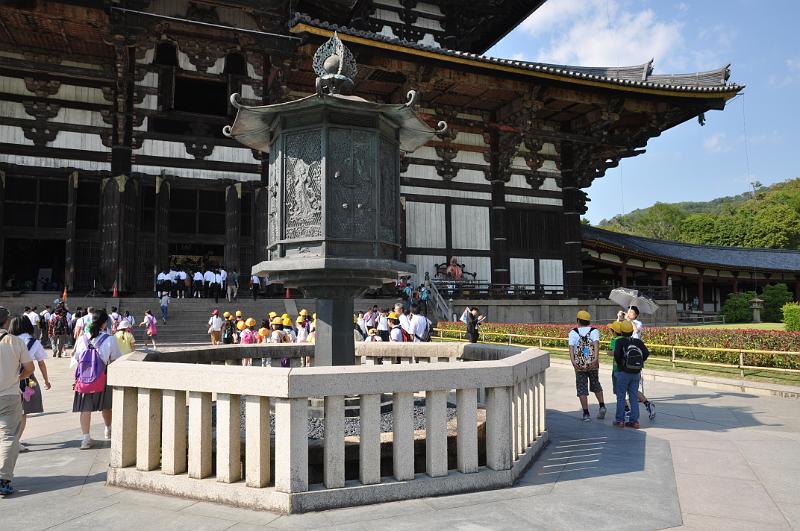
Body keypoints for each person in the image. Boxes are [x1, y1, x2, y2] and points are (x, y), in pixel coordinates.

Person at [71, 308, 122, 449]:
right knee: (106, 405)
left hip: (84, 378)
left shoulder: (82, 339)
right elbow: (115, 359)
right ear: (104, 323)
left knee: (85, 408)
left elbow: (76, 358)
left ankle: (85, 438)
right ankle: (108, 429)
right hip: (103, 376)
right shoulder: (110, 339)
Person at [0, 306, 35, 496]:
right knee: (8, 437)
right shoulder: (15, 341)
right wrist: (17, 378)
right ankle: (3, 479)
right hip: (9, 395)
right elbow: (29, 368)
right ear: (6, 321)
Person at [9, 316, 51, 454]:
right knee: (23, 411)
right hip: (26, 380)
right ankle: (16, 441)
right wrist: (46, 381)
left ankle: (8, 439)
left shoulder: (6, 340)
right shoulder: (34, 342)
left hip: (6, 379)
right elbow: (41, 363)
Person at [568, 310, 606, 422]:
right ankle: (602, 406)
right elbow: (596, 344)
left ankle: (586, 414)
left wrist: (573, 362)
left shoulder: (573, 332)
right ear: (589, 321)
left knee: (581, 388)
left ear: (578, 320)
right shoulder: (594, 331)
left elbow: (571, 348)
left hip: (579, 365)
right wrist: (595, 358)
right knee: (596, 384)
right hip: (592, 363)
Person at [612, 320, 650, 428]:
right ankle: (634, 421)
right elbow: (646, 353)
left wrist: (621, 364)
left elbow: (617, 355)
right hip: (636, 373)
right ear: (632, 331)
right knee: (633, 397)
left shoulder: (620, 342)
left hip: (623, 372)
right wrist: (639, 362)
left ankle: (620, 420)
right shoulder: (637, 342)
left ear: (621, 331)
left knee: (621, 396)